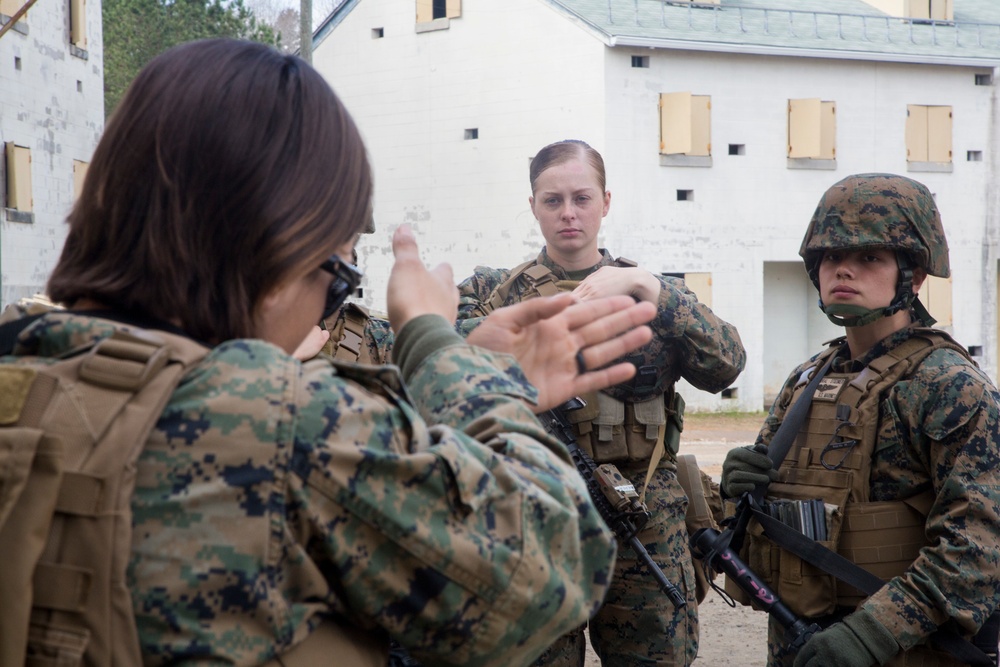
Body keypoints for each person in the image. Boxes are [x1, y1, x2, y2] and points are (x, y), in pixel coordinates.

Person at [5, 39, 665, 666]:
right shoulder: (277, 417)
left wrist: (482, 370)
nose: (326, 307)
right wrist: (438, 347)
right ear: (277, 246)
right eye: (339, 275)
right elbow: (553, 564)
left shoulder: (25, 366)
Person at [456, 139, 747, 667]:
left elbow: (726, 363)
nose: (569, 213)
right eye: (552, 200)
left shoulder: (650, 292)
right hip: (533, 514)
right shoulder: (492, 294)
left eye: (582, 198)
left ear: (605, 202)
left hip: (643, 514)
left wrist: (649, 287)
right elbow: (444, 367)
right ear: (533, 206)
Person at [719, 173, 1000, 667]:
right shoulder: (808, 378)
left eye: (869, 257)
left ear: (912, 277)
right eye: (830, 256)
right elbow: (765, 521)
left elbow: (979, 545)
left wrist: (871, 634)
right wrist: (743, 492)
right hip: (800, 639)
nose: (842, 269)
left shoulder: (950, 385)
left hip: (900, 649)